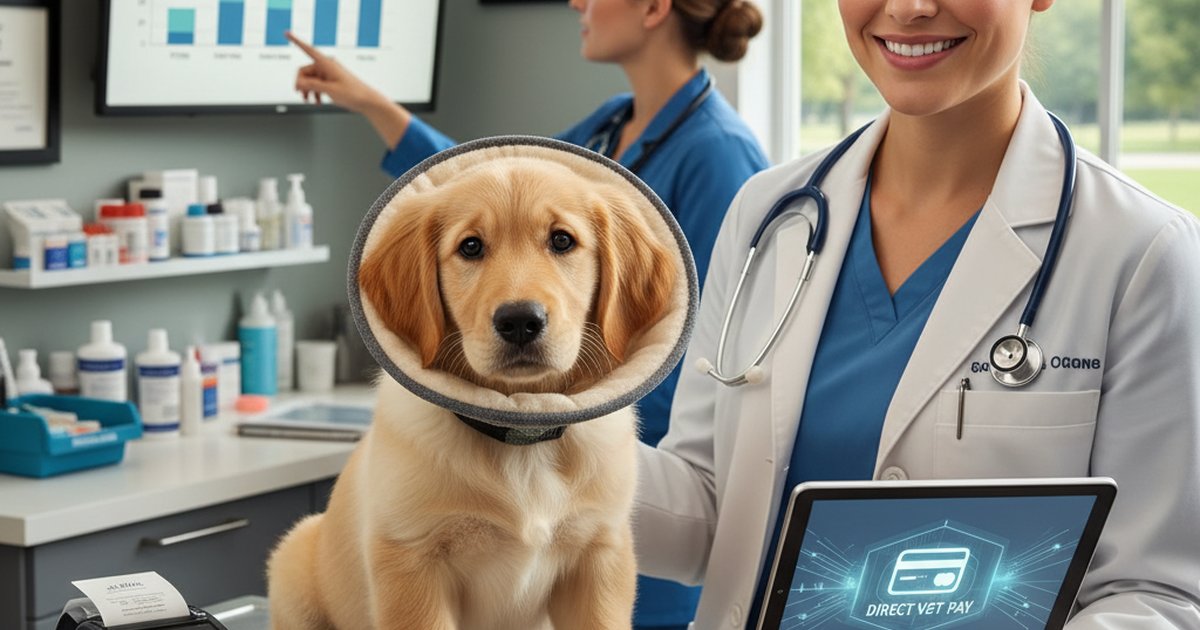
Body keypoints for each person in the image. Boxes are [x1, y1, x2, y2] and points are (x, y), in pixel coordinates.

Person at [633, 0, 1200, 628]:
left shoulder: (1142, 253)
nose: (908, 8)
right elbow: (709, 515)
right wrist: (538, 443)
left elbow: (1154, 594)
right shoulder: (767, 215)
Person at [288, 0, 769, 627]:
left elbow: (700, 341)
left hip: (643, 493)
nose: (576, 3)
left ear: (654, 8)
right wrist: (382, 111)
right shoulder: (609, 126)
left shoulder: (719, 154)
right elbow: (487, 190)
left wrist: (574, 414)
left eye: (562, 243)